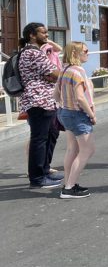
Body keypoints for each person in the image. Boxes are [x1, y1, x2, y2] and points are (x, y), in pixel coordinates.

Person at [17, 23, 63, 189]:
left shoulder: (35, 52)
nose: (46, 35)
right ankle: (37, 178)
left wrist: (53, 76)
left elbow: (53, 74)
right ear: (32, 35)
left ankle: (44, 171)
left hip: (45, 99)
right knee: (39, 139)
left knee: (52, 133)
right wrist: (54, 75)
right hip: (38, 100)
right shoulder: (32, 53)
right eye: (43, 32)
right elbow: (56, 73)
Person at [55, 42, 97, 198]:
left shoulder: (64, 70)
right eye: (85, 51)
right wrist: (91, 115)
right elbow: (80, 97)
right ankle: (69, 187)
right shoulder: (78, 72)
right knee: (88, 149)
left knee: (72, 149)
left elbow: (56, 95)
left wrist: (64, 104)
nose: (88, 53)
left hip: (65, 112)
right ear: (75, 53)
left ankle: (68, 183)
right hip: (77, 114)